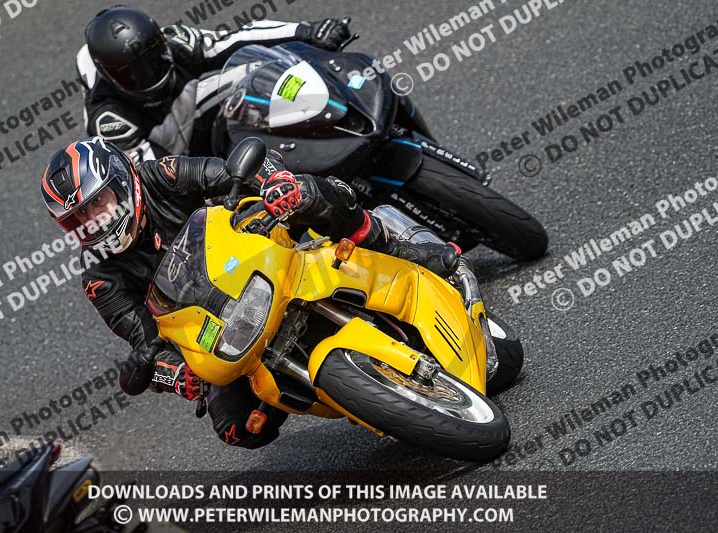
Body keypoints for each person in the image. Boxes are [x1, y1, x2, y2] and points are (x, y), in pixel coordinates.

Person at [41, 136, 460, 449]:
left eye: (99, 202)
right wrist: (175, 375)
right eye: (79, 216)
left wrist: (273, 183)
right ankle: (339, 393)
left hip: (260, 248)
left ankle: (396, 247)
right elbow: (145, 340)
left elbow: (225, 172)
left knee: (305, 193)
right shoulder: (100, 278)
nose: (94, 219)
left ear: (122, 180)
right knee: (237, 429)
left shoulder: (160, 174)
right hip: (222, 325)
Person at [78, 4, 352, 162]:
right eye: (133, 73)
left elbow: (236, 38)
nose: (150, 72)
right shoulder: (111, 121)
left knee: (254, 69)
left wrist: (306, 32)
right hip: (169, 159)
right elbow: (158, 176)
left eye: (154, 57)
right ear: (109, 77)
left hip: (194, 116)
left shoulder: (177, 43)